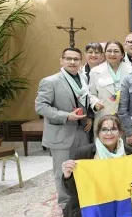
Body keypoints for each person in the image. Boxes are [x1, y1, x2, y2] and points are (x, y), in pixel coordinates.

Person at [61, 115, 132, 217]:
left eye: (113, 129)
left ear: (120, 132)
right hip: (93, 203)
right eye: (104, 130)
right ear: (98, 133)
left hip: (120, 202)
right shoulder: (84, 153)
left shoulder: (129, 153)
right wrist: (67, 175)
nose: (109, 133)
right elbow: (72, 192)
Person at [36, 47, 92, 208]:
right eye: (69, 58)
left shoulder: (83, 79)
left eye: (76, 59)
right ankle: (65, 206)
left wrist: (88, 116)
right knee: (62, 171)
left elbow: (85, 101)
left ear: (81, 62)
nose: (72, 62)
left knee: (82, 168)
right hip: (61, 133)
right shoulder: (51, 81)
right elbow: (41, 107)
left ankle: (82, 202)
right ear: (62, 60)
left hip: (82, 131)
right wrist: (66, 116)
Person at [88, 41, 132, 131]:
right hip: (104, 115)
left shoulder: (131, 69)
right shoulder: (95, 71)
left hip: (126, 116)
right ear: (104, 54)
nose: (112, 54)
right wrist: (94, 102)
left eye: (116, 51)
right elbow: (91, 93)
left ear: (122, 54)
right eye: (109, 51)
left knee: (125, 144)